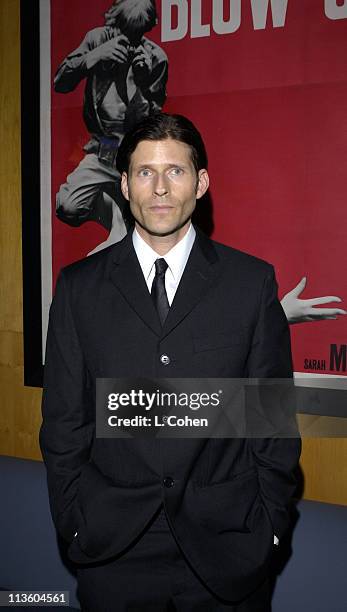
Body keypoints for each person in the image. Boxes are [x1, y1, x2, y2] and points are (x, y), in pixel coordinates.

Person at [40, 112, 301, 611]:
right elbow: (64, 426)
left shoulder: (251, 285)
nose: (160, 188)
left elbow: (272, 425)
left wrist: (270, 529)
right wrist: (73, 519)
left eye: (175, 171)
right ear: (123, 184)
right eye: (144, 172)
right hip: (112, 551)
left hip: (228, 549)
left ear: (201, 183)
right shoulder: (78, 289)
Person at [54, 0, 168, 253]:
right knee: (68, 206)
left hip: (136, 156)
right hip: (103, 150)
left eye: (137, 36)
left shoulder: (156, 57)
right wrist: (93, 57)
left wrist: (143, 81)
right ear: (114, 22)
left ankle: (122, 228)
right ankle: (119, 218)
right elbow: (60, 82)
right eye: (124, 32)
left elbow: (155, 120)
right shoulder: (97, 39)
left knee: (151, 222)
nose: (128, 42)